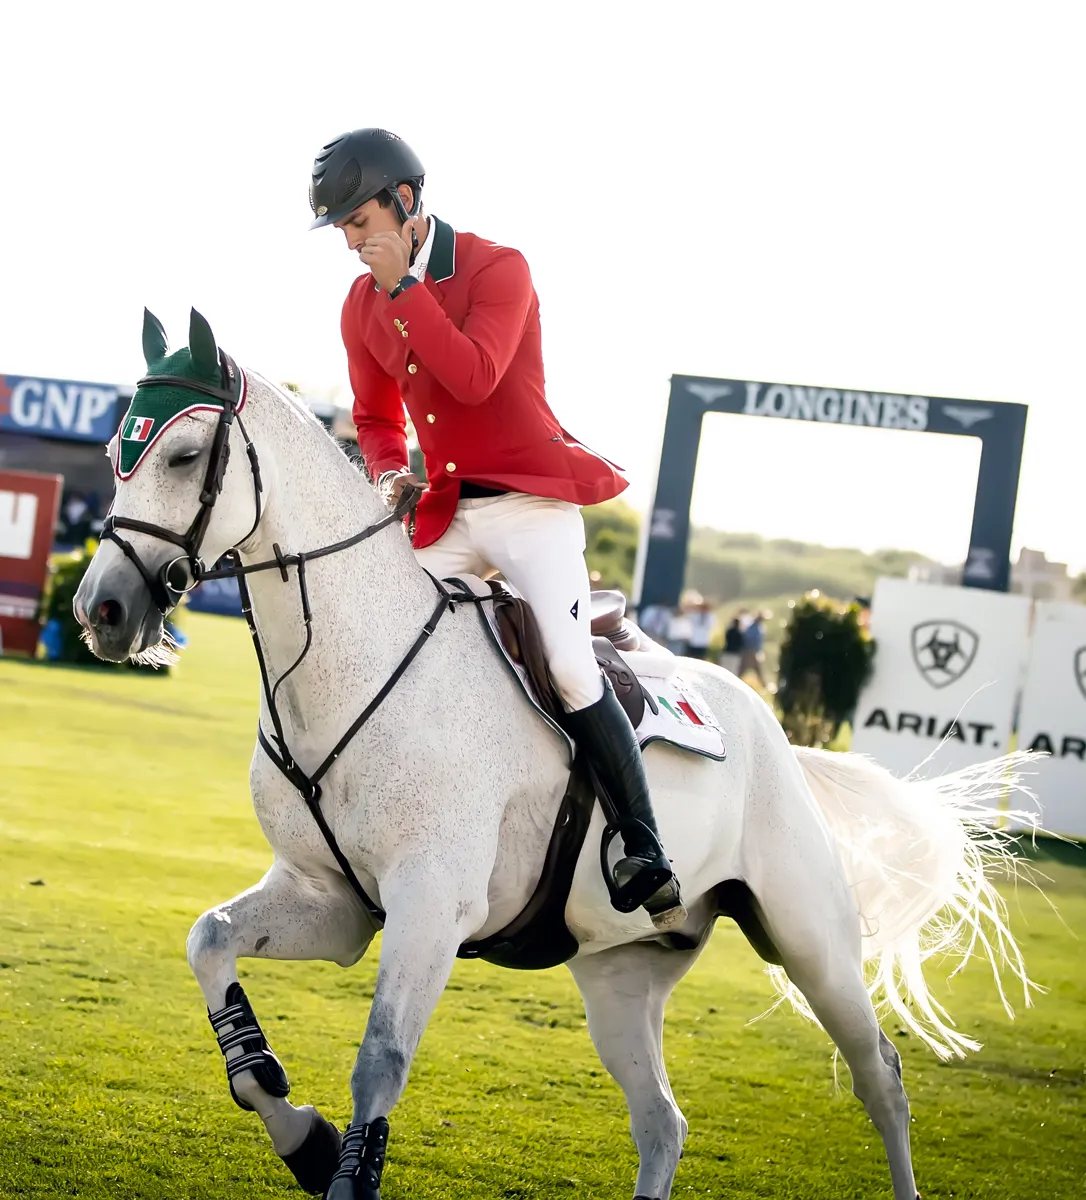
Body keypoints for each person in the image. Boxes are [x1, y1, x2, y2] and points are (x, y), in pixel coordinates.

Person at [309, 128, 683, 929]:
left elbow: (475, 378)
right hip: (444, 511)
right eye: (341, 228)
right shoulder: (359, 302)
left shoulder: (497, 268)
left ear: (407, 203)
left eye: (358, 219)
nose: (351, 241)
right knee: (383, 646)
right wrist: (385, 472)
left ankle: (643, 844)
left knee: (573, 669)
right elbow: (376, 415)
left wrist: (404, 287)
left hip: (531, 507)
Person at [739, 610, 769, 688]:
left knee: (755, 670)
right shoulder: (753, 627)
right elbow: (753, 641)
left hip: (752, 652)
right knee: (744, 670)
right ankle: (764, 686)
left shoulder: (757, 627)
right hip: (750, 652)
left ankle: (764, 686)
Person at [685, 596, 716, 660]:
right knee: (691, 658)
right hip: (694, 640)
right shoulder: (695, 614)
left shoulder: (711, 616)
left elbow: (711, 625)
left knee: (701, 658)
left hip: (703, 641)